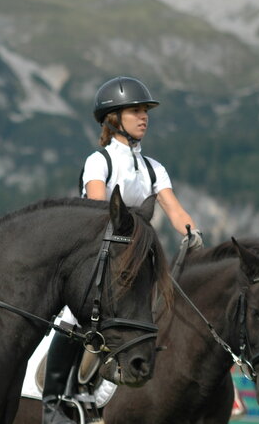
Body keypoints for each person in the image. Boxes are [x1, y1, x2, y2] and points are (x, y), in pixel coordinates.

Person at [41, 76, 203, 424]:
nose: (144, 117)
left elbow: (174, 209)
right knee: (72, 318)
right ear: (114, 118)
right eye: (135, 110)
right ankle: (54, 400)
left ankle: (103, 386)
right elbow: (99, 206)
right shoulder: (99, 161)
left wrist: (191, 231)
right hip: (94, 249)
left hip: (129, 254)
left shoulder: (153, 168)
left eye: (145, 111)